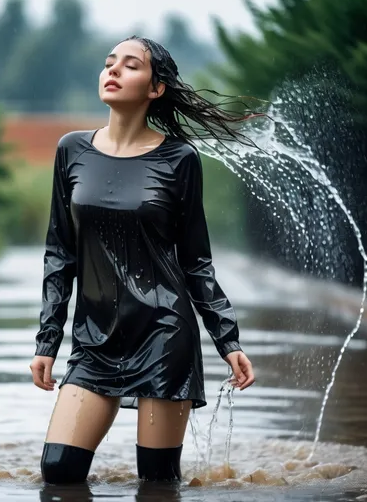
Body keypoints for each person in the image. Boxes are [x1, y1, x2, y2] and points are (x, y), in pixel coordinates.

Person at [29, 35, 256, 486]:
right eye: (109, 62)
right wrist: (47, 340)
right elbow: (60, 253)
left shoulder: (180, 158)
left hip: (163, 335)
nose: (112, 70)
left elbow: (196, 262)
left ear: (156, 88)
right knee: (58, 471)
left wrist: (227, 340)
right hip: (94, 340)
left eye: (130, 65)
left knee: (156, 483)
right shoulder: (71, 150)